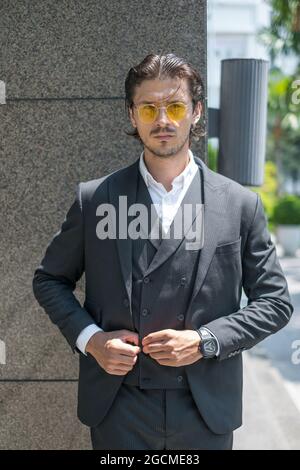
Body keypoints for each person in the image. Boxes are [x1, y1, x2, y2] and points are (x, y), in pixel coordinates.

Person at [32, 53, 293, 450]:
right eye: (149, 108)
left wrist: (206, 339)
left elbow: (275, 302)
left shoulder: (239, 204)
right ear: (131, 116)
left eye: (175, 106)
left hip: (205, 408)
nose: (163, 120)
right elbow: (49, 279)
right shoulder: (96, 199)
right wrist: (92, 340)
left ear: (196, 112)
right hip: (119, 406)